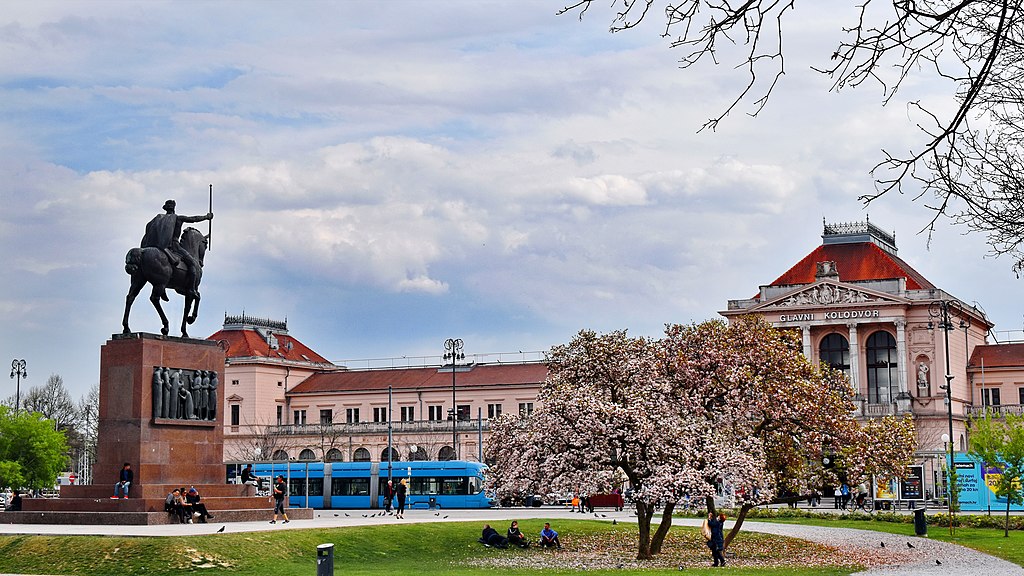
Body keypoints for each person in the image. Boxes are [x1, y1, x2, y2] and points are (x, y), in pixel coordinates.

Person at [140, 199, 213, 299]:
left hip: (160, 245)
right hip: (175, 246)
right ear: (174, 208)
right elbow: (194, 219)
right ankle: (191, 289)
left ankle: (163, 287)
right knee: (192, 263)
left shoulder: (159, 219)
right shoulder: (178, 218)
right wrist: (206, 217)